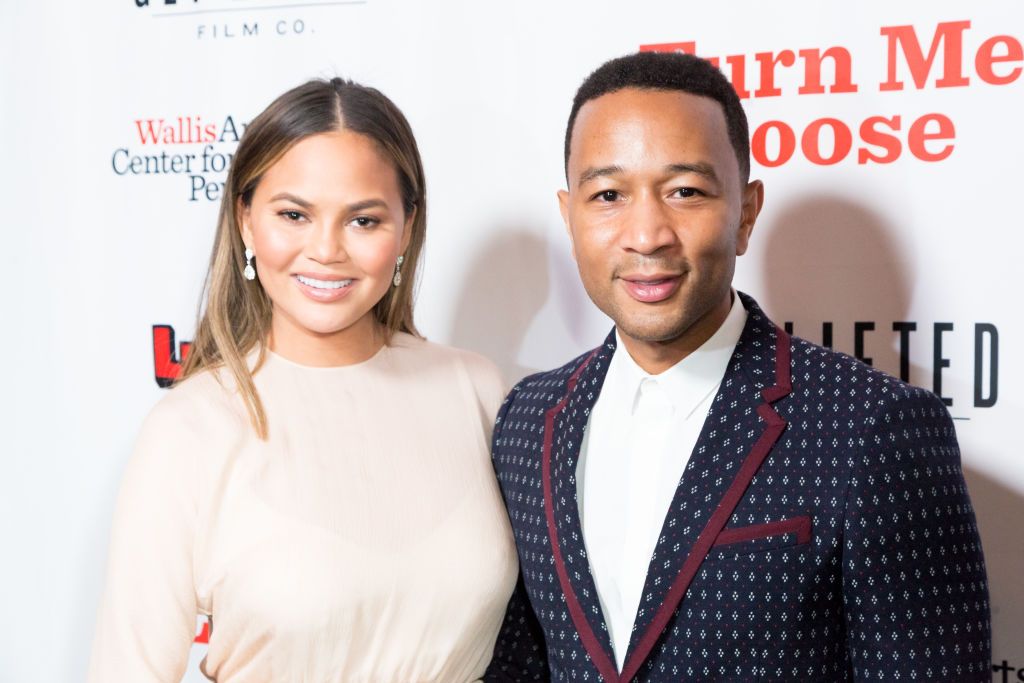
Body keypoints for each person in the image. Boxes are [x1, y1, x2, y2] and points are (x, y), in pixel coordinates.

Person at [485, 52, 991, 682]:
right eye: (608, 195)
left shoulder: (871, 426)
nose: (646, 235)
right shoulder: (528, 418)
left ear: (746, 212)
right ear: (570, 216)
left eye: (685, 192)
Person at [88, 78, 517, 682]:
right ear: (245, 219)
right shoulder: (192, 426)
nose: (325, 250)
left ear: (406, 227)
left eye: (363, 221)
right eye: (293, 214)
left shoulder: (475, 390)